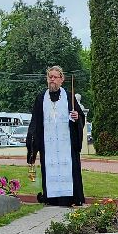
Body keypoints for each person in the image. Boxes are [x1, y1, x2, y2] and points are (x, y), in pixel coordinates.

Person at [25, 65, 85, 205]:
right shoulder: (41, 98)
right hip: (49, 145)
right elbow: (35, 122)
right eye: (49, 77)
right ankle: (51, 199)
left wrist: (77, 118)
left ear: (61, 79)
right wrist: (32, 143)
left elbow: (79, 117)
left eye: (55, 77)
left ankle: (72, 198)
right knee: (50, 170)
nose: (52, 79)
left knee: (69, 170)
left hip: (66, 145)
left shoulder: (69, 97)